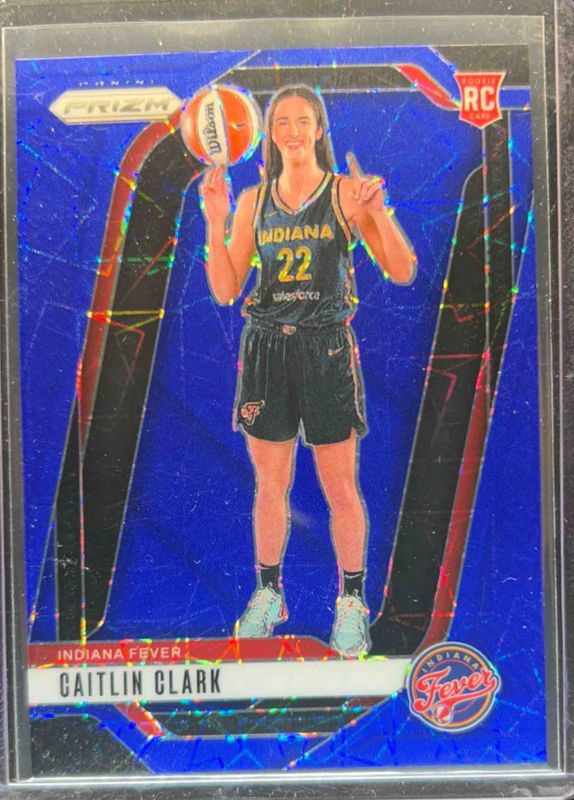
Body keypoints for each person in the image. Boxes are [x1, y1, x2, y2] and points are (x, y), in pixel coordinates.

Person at [200, 85, 415, 657]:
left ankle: (352, 602)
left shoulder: (346, 193)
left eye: (303, 121)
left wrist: (378, 212)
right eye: (282, 123)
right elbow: (225, 288)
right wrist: (215, 221)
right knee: (270, 485)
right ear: (270, 135)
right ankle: (269, 593)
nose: (293, 131)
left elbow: (401, 270)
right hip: (268, 349)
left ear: (320, 129)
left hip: (326, 350)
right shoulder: (253, 200)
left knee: (340, 486)